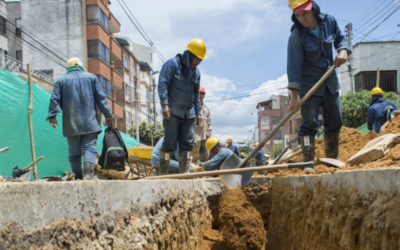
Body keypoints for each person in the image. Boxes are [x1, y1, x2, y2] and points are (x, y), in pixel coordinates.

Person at [287, 0, 350, 171]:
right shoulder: (296, 36)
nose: (302, 19)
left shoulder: (328, 22)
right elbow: (293, 68)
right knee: (309, 123)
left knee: (335, 119)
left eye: (305, 13)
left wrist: (343, 50)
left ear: (313, 9)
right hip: (309, 84)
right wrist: (294, 97)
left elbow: (341, 38)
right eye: (298, 15)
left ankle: (332, 160)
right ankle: (308, 163)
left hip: (329, 79)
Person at [46, 57, 113, 180]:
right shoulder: (92, 78)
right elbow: (101, 99)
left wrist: (52, 117)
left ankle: (78, 177)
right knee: (89, 148)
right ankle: (88, 175)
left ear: (68, 67)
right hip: (90, 122)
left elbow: (54, 99)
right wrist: (108, 115)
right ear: (81, 66)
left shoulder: (60, 81)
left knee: (74, 152)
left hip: (71, 124)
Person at [158, 38, 207, 175]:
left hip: (189, 114)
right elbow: (162, 83)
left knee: (187, 143)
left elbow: (196, 95)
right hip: (173, 111)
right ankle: (163, 173)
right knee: (169, 143)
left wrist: (198, 113)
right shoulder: (172, 64)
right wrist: (164, 104)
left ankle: (184, 173)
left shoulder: (196, 73)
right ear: (191, 55)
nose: (199, 62)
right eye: (198, 59)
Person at [192, 86, 212, 163]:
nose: (201, 95)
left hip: (205, 136)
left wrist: (209, 131)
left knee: (205, 156)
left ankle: (205, 173)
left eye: (202, 94)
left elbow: (209, 122)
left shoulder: (206, 108)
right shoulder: (192, 107)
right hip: (196, 135)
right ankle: (194, 173)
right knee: (194, 157)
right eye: (199, 93)